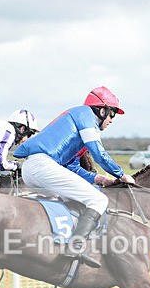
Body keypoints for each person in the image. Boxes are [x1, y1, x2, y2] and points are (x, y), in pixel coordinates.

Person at [14, 86, 134, 268]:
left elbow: (73, 168)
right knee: (99, 201)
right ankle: (75, 246)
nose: (111, 120)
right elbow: (99, 153)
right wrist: (121, 174)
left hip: (34, 169)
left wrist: (98, 179)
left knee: (76, 200)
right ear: (102, 110)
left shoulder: (77, 123)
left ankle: (58, 245)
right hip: (42, 166)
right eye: (112, 115)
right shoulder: (86, 116)